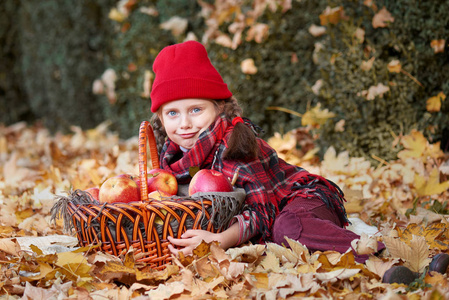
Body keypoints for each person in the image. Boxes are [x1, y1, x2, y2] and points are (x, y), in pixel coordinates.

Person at [148, 40, 383, 263]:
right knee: (285, 231)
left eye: (196, 109)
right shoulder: (169, 157)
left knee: (287, 229)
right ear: (160, 117)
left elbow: (262, 211)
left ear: (219, 106)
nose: (184, 123)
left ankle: (373, 254)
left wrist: (219, 240)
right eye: (172, 113)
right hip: (268, 214)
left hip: (297, 199)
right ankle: (328, 233)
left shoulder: (233, 145)